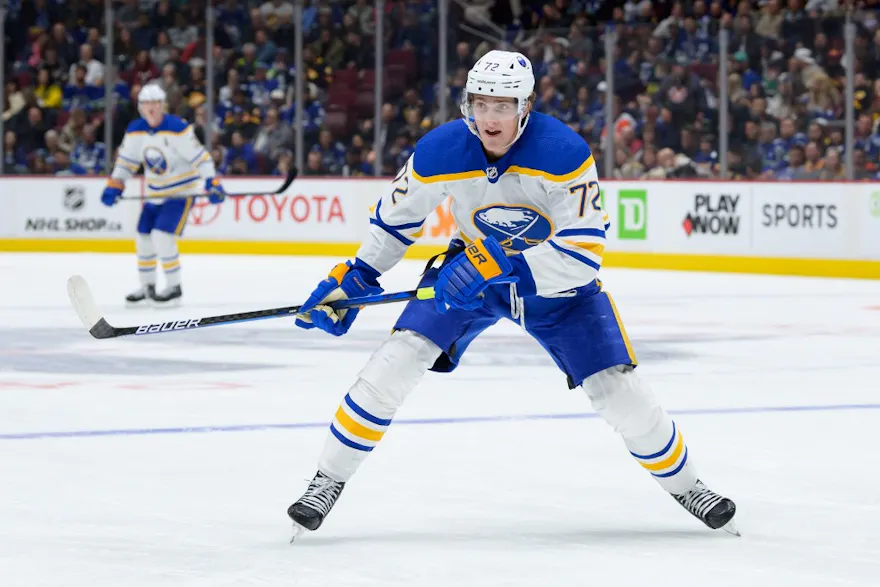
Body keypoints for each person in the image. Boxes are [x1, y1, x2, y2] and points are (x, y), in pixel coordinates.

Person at [288, 51, 738, 539]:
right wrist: (355, 278)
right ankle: (326, 480)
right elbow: (395, 221)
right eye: (480, 104)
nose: (488, 118)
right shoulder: (440, 150)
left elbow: (584, 252)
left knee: (618, 391)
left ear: (525, 107)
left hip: (555, 286)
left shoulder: (563, 153)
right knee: (396, 359)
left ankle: (688, 486)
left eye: (502, 106)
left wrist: (499, 265)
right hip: (468, 275)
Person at [100, 83, 225, 306]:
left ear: (162, 105)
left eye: (155, 103)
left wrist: (211, 181)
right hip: (154, 193)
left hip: (180, 192)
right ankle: (147, 286)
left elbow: (200, 157)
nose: (151, 108)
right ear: (140, 107)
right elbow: (127, 162)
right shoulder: (135, 129)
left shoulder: (177, 128)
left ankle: (174, 287)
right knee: (143, 238)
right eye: (147, 103)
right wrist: (115, 184)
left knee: (162, 236)